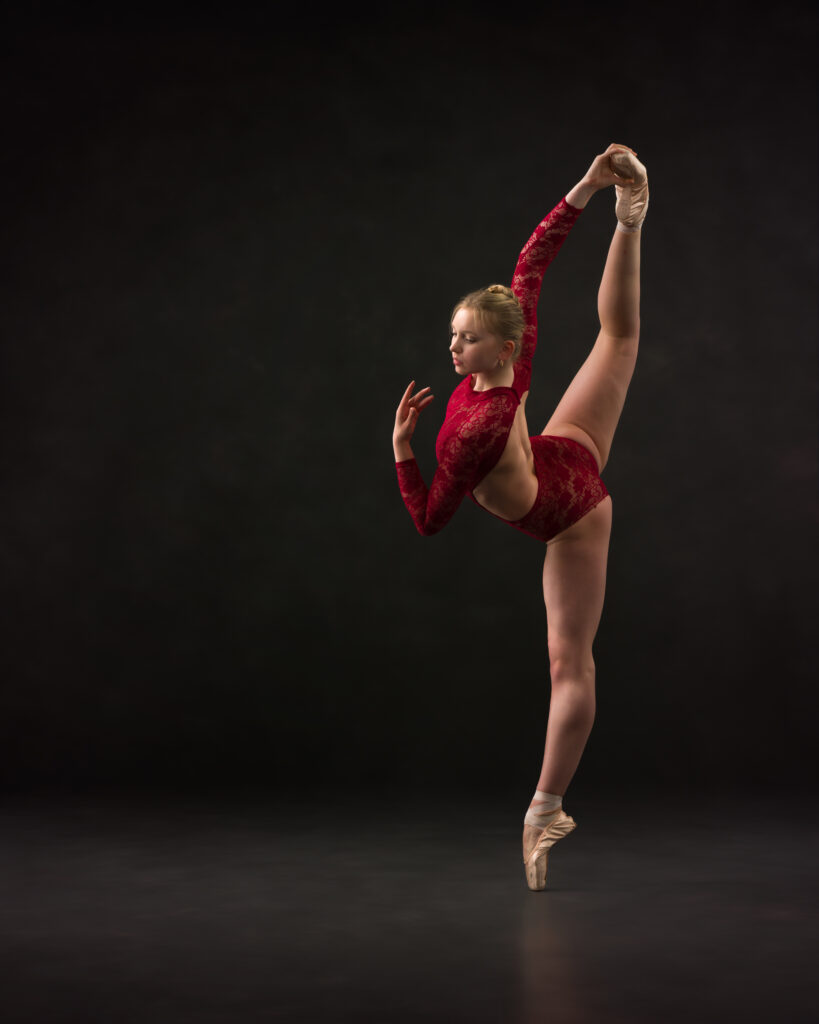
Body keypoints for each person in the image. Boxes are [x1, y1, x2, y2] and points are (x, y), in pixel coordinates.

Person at [392, 143, 648, 891]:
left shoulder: (475, 430)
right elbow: (532, 262)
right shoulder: (515, 353)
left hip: (570, 513)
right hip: (558, 449)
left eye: (465, 338)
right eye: (452, 334)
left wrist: (402, 450)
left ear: (498, 345)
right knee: (619, 338)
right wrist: (590, 185)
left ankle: (543, 808)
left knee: (570, 664)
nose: (452, 346)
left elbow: (428, 519)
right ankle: (629, 217)